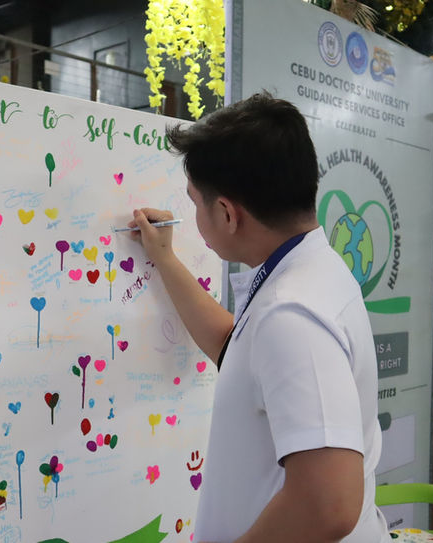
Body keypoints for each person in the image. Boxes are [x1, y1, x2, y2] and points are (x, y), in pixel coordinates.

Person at [127, 92, 389, 542]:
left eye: (196, 202)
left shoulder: (292, 314)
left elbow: (329, 506)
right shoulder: (306, 272)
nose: (194, 216)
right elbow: (235, 349)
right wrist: (165, 259)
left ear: (227, 213)